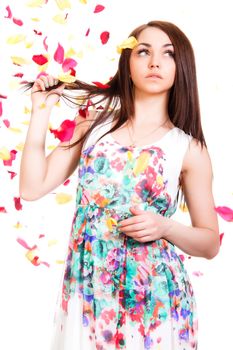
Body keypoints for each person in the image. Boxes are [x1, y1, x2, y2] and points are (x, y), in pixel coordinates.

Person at [19, 20, 220, 350]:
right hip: (89, 297)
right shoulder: (93, 127)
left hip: (155, 305)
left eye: (167, 54)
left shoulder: (189, 150)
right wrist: (41, 113)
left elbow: (209, 243)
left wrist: (164, 226)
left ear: (180, 68)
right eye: (143, 51)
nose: (154, 61)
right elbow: (31, 187)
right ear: (127, 65)